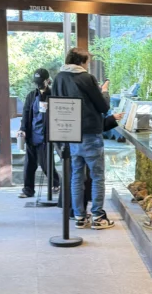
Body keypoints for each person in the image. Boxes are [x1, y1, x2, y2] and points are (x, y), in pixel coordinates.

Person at [51, 47, 113, 229]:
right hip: (90, 133)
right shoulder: (86, 78)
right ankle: (98, 217)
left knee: (76, 175)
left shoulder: (59, 78)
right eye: (88, 61)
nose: (89, 64)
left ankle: (79, 216)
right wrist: (104, 92)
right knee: (97, 176)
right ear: (81, 62)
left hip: (70, 134)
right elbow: (103, 107)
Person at [19, 68, 60, 199]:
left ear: (47, 81)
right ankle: (28, 190)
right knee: (29, 165)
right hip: (32, 135)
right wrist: (23, 129)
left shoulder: (54, 95)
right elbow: (26, 114)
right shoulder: (31, 96)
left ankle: (56, 183)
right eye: (36, 82)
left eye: (40, 81)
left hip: (46, 136)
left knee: (46, 163)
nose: (38, 84)